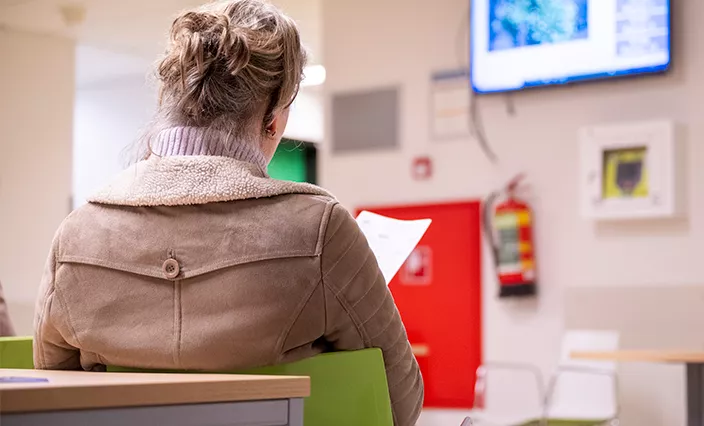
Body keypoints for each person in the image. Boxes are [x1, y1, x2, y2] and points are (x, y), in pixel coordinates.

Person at [32, 1, 423, 424]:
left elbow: (52, 401)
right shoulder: (319, 231)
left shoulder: (75, 235)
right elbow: (399, 402)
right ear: (273, 122)